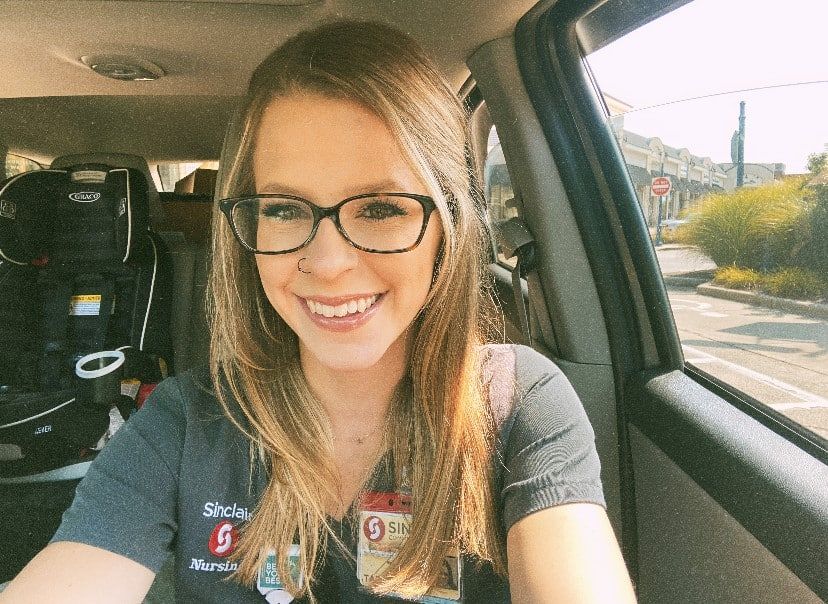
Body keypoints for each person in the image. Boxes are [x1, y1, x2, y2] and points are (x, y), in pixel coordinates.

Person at [1, 20, 637, 603]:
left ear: (449, 225)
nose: (327, 262)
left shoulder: (518, 402)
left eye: (382, 208)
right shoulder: (184, 423)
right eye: (282, 209)